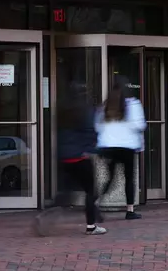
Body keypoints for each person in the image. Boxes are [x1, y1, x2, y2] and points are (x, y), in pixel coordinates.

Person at [34, 84, 106, 236]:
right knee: (91, 191)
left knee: (66, 192)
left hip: (65, 156)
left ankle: (46, 214)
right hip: (80, 156)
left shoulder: (63, 111)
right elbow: (89, 132)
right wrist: (93, 150)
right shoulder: (84, 110)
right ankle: (91, 225)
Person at [95, 76, 146, 220]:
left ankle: (96, 203)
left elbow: (97, 126)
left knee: (110, 178)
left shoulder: (105, 105)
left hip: (108, 146)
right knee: (129, 178)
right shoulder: (133, 104)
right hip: (127, 146)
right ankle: (130, 210)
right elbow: (140, 125)